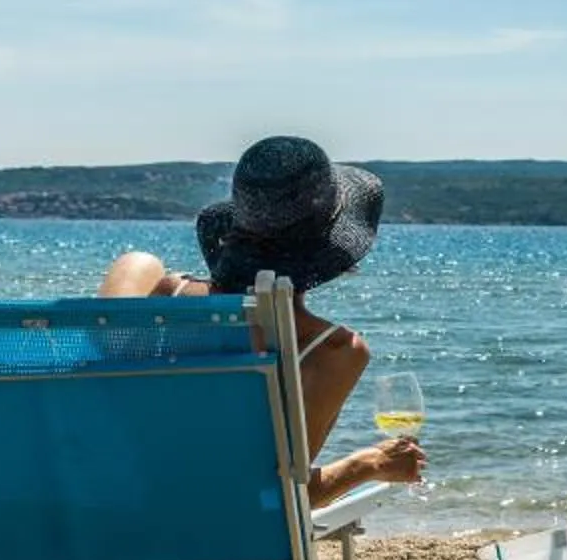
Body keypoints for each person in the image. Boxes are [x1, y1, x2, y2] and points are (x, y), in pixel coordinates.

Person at [100, 135, 423, 508]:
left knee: (137, 263)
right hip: (222, 549)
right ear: (328, 250)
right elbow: (275, 493)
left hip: (113, 532)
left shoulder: (168, 299)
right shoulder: (332, 350)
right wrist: (370, 464)